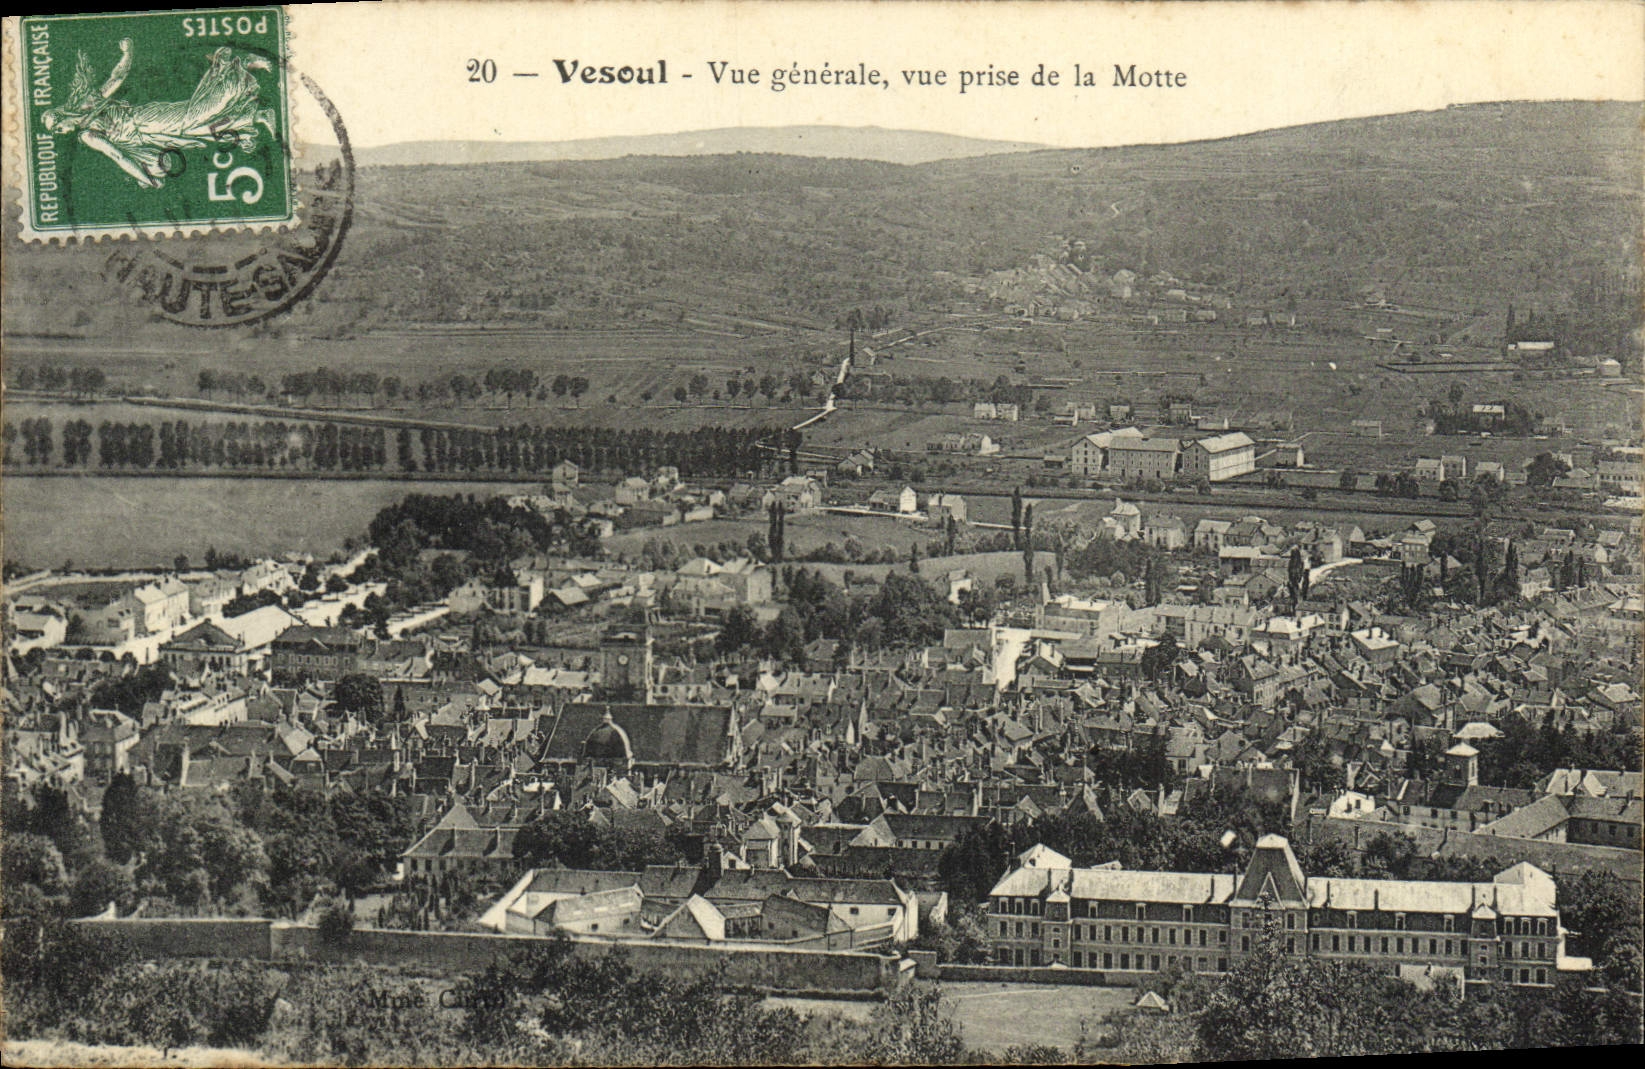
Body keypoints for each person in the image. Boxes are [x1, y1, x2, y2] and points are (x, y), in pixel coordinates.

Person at [41, 38, 278, 190]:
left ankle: (238, 66)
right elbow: (122, 154)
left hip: (145, 120)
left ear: (63, 116)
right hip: (149, 137)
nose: (61, 133)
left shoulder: (88, 127)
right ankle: (257, 116)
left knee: (193, 116)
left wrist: (128, 52)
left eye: (57, 127)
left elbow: (118, 156)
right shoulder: (87, 119)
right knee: (199, 129)